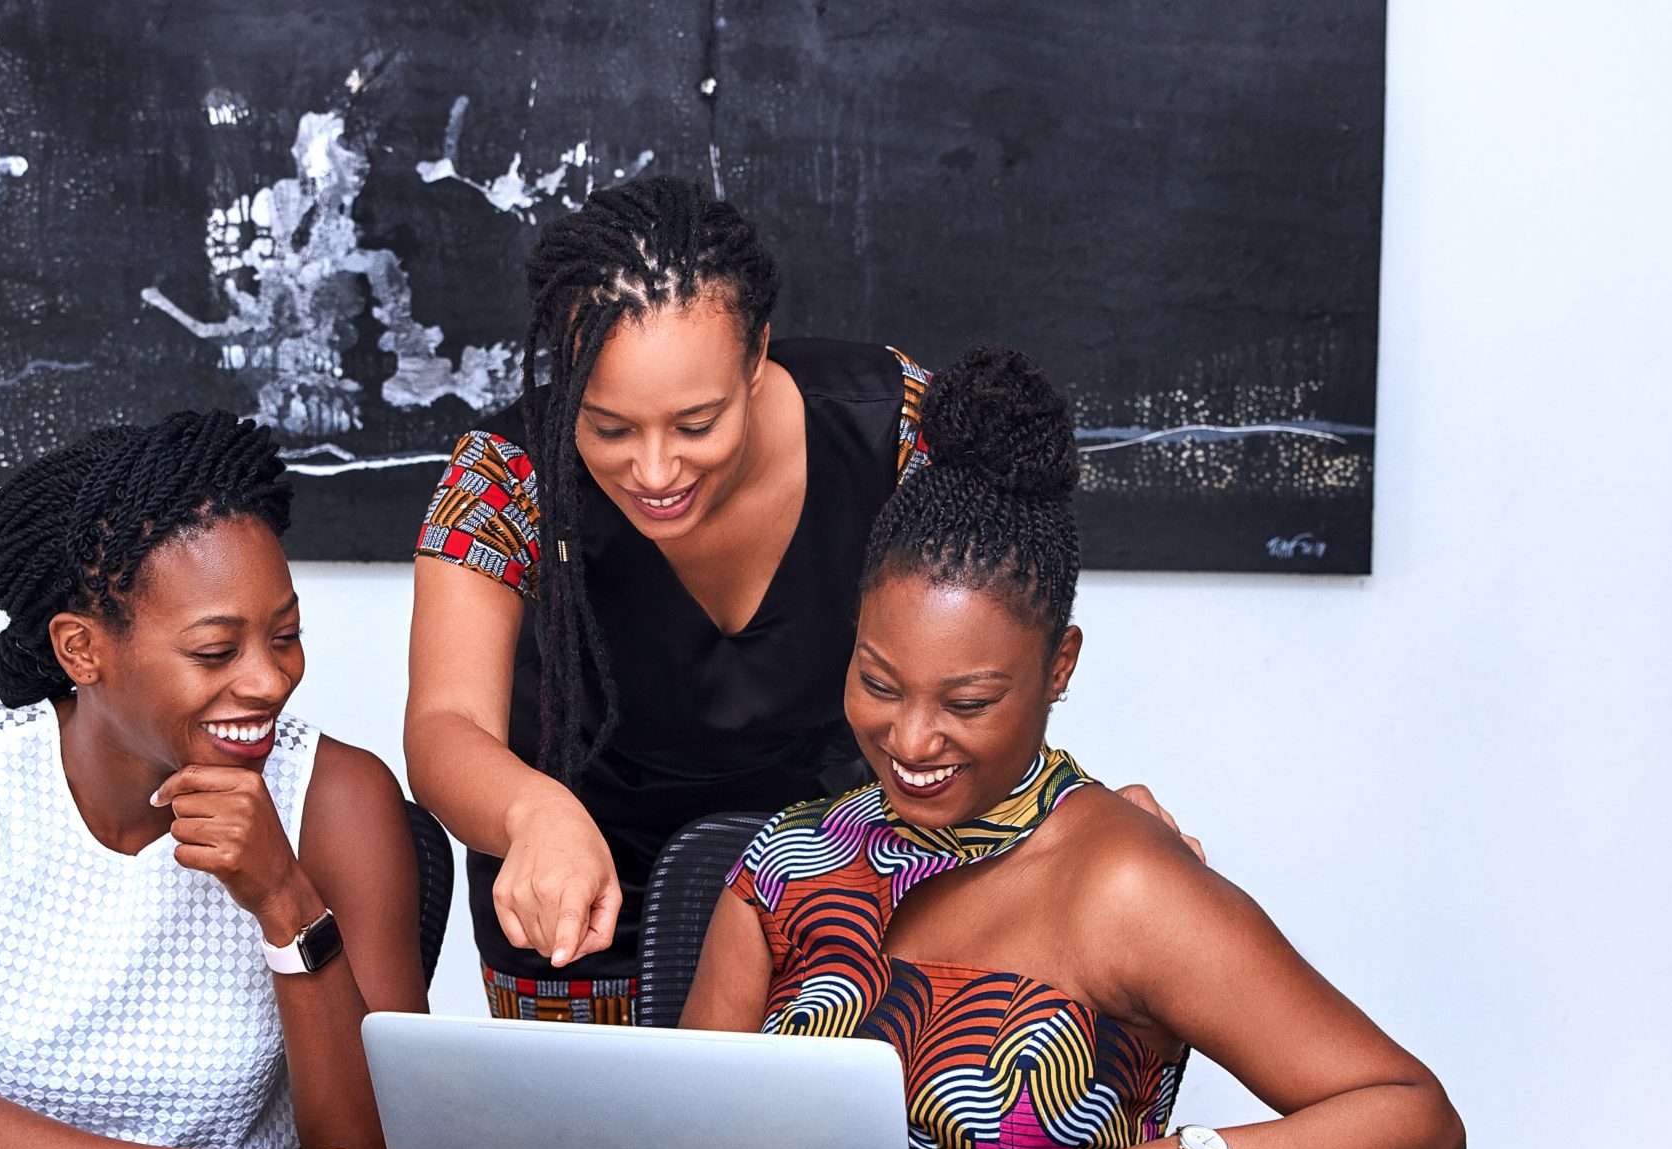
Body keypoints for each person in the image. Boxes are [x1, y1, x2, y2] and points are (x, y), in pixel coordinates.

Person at [680, 346, 1465, 1149]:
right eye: (878, 682)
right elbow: (686, 1145)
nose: (911, 738)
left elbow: (1415, 1117)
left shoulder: (1125, 884)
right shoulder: (786, 863)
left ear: (1060, 668)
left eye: (968, 702)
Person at [405, 176, 1194, 1020]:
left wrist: (1076, 818)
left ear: (758, 357)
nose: (657, 470)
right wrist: (532, 812)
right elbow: (443, 727)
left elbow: (992, 644)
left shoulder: (894, 431)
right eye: (609, 428)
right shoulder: (503, 475)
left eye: (697, 423)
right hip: (574, 914)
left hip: (831, 898)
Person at [0, 411, 475, 1149]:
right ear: (82, 648)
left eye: (285, 636)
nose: (267, 679)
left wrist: (286, 902)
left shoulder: (337, 796)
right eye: (215, 651)